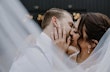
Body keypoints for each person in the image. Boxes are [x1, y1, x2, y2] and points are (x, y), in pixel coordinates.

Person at [10, 8, 75, 72]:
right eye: (70, 25)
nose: (72, 32)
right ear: (55, 21)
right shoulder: (32, 51)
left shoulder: (61, 51)